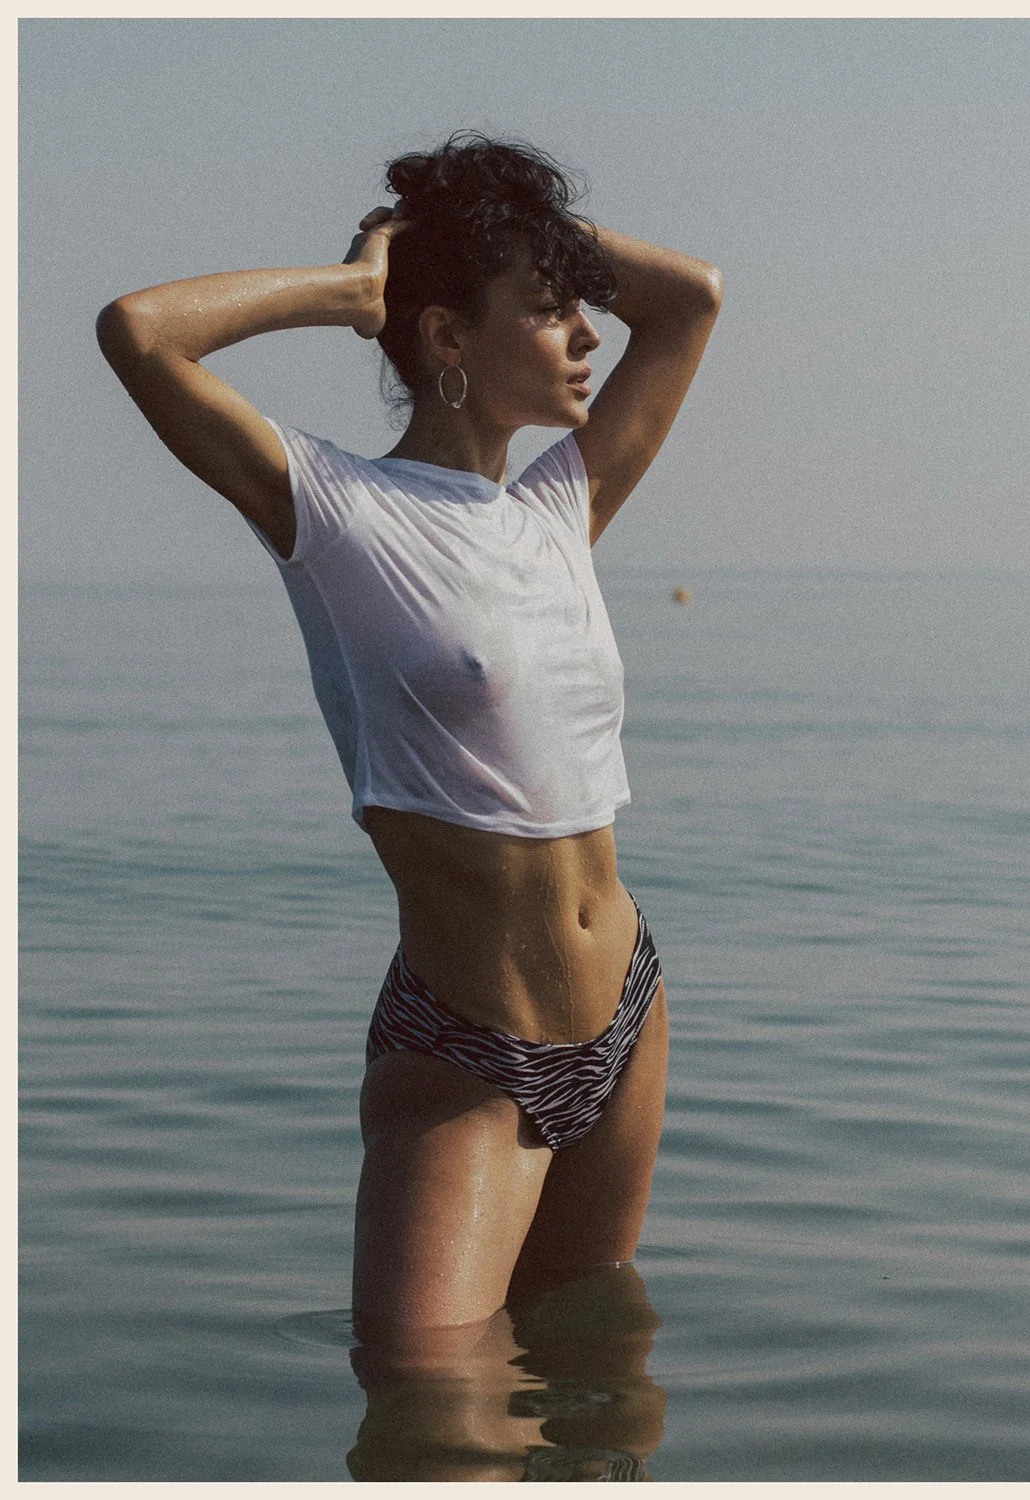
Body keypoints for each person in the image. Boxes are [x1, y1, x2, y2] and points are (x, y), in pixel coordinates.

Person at [96, 133, 722, 1339]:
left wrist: (513, 225)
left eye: (577, 308)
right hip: (469, 1051)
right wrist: (347, 293)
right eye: (547, 313)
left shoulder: (558, 506)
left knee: (597, 1376)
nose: (587, 333)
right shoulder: (333, 510)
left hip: (626, 1011)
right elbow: (140, 331)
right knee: (426, 1421)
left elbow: (688, 298)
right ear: (443, 338)